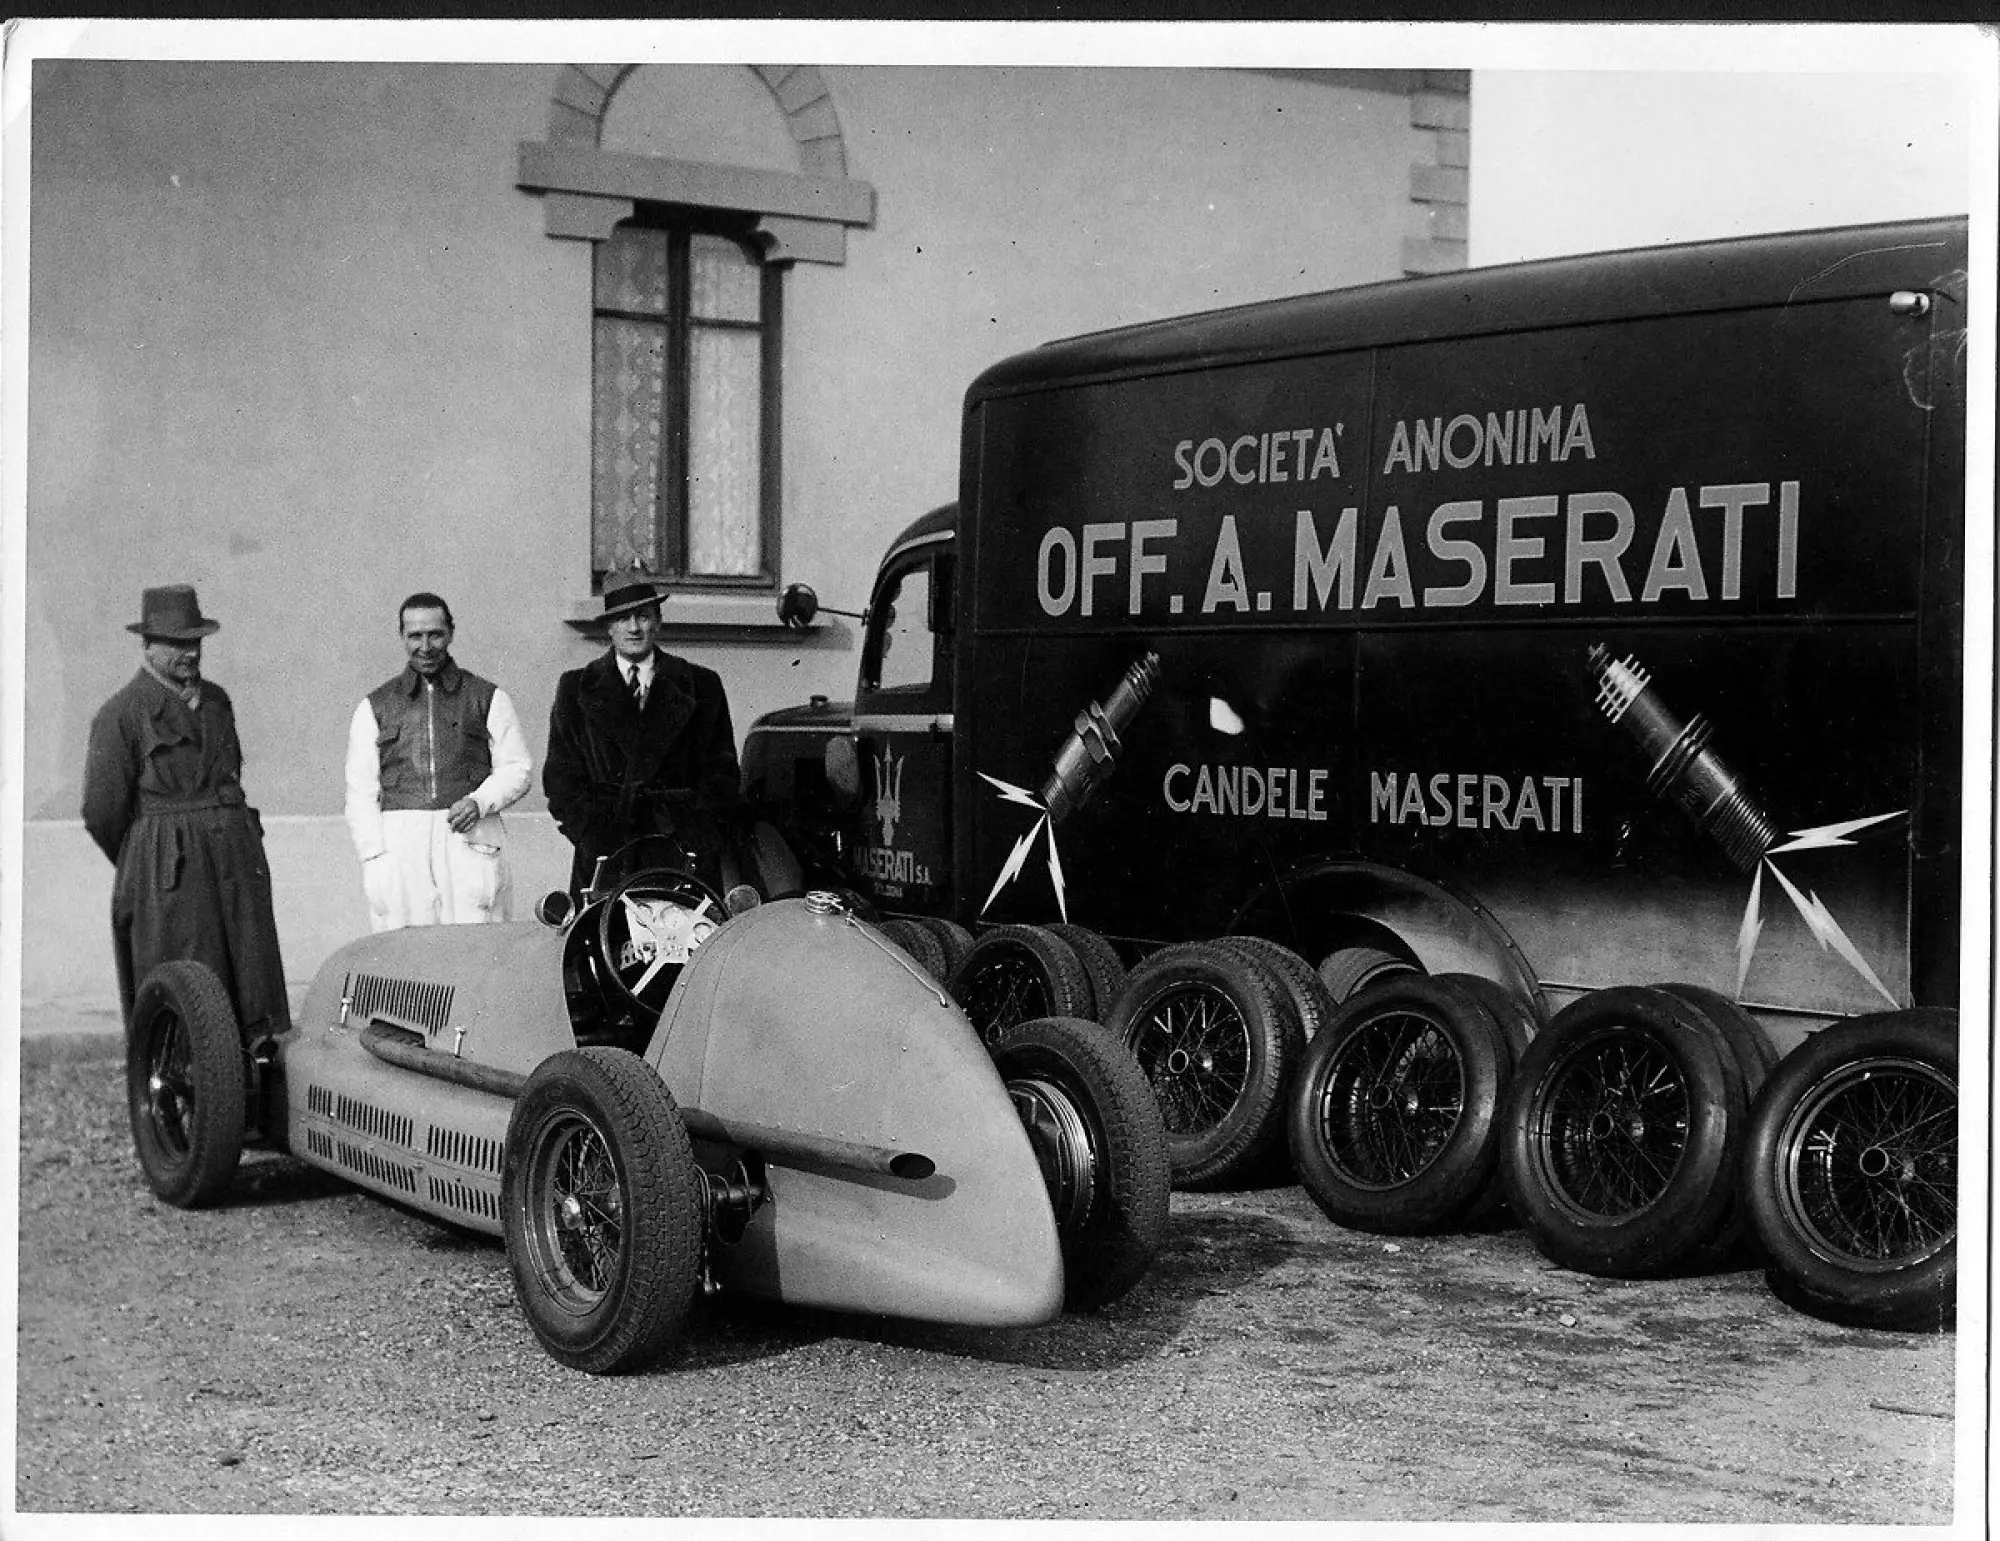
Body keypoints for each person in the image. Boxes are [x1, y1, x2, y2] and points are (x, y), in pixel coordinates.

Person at [82, 584, 291, 1038]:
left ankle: (256, 1092)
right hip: (171, 876)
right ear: (148, 647)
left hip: (235, 864)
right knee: (190, 987)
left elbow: (229, 772)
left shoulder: (217, 701)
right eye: (176, 643)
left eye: (194, 641)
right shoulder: (120, 715)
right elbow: (102, 812)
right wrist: (147, 856)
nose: (189, 653)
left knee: (253, 982)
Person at [543, 570, 744, 896]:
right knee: (606, 941)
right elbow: (560, 778)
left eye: (643, 616)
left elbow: (722, 773)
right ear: (609, 626)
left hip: (683, 850)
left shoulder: (701, 684)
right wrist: (592, 833)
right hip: (608, 853)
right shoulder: (576, 687)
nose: (634, 627)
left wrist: (700, 834)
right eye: (623, 618)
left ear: (659, 622)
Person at [343, 592, 532, 931]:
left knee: (476, 947)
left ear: (451, 633)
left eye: (435, 634)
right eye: (415, 636)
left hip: (469, 838)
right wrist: (375, 857)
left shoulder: (487, 697)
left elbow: (518, 769)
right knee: (406, 959)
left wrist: (479, 801)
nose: (426, 646)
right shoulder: (376, 706)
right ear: (402, 636)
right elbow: (360, 791)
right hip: (401, 848)